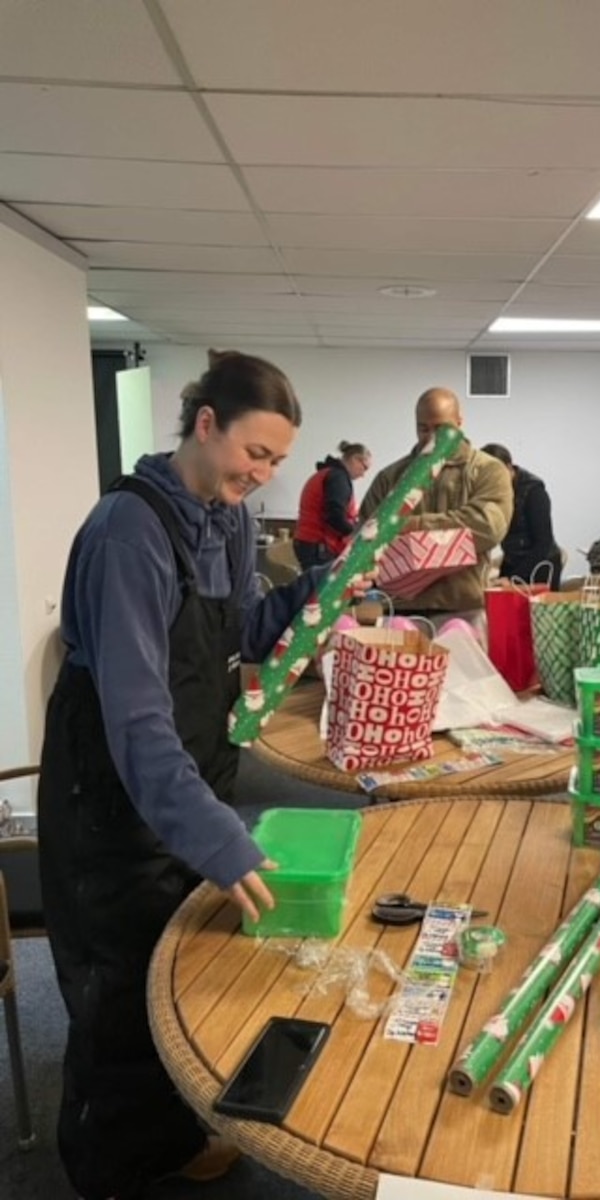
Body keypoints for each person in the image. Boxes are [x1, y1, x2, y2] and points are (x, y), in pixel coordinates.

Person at [37, 350, 326, 1200]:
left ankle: (168, 1138)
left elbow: (244, 629)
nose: (264, 475)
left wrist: (326, 588)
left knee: (180, 973)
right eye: (256, 453)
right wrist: (221, 843)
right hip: (112, 798)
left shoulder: (227, 516)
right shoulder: (126, 533)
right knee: (120, 989)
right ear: (206, 424)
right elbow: (136, 722)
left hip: (189, 774)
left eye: (278, 461)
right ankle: (106, 1170)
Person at [359, 387, 513, 627]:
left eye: (441, 428)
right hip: (401, 612)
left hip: (464, 610)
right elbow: (367, 537)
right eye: (423, 428)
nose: (432, 437)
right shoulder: (389, 477)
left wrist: (408, 526)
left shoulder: (488, 470)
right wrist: (451, 536)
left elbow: (487, 528)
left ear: (459, 422)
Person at [481, 443, 563, 588]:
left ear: (509, 467)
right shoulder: (492, 491)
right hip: (512, 559)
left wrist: (514, 578)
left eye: (496, 475)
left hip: (540, 565)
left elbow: (543, 543)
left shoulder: (534, 492)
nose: (493, 481)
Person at [293, 439, 371, 570]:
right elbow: (334, 515)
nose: (363, 475)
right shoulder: (338, 478)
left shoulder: (327, 473)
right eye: (364, 468)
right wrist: (355, 533)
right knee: (324, 589)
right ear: (355, 459)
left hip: (309, 542)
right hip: (319, 545)